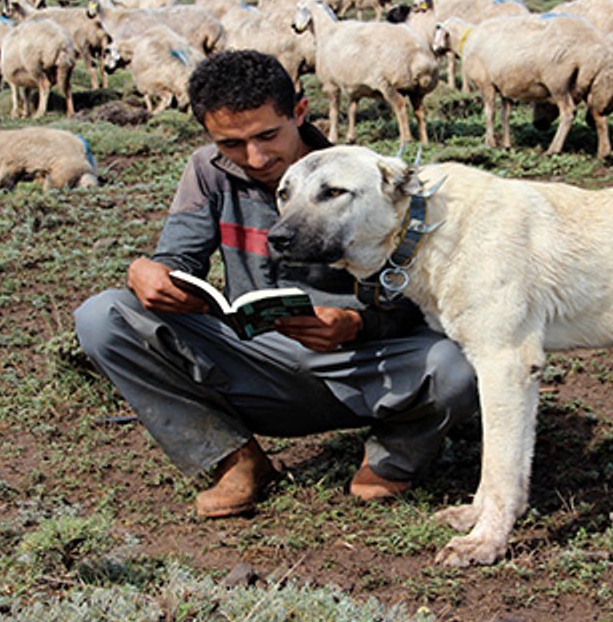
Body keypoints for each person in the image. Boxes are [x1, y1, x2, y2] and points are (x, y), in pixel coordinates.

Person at [74, 50, 477, 518]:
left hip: (365, 367)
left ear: (299, 112)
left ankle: (395, 454)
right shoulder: (208, 172)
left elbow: (424, 296)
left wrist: (356, 325)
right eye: (231, 144)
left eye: (268, 135)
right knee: (102, 316)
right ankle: (234, 458)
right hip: (255, 362)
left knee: (457, 363)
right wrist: (152, 272)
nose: (256, 158)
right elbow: (178, 258)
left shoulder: (366, 178)